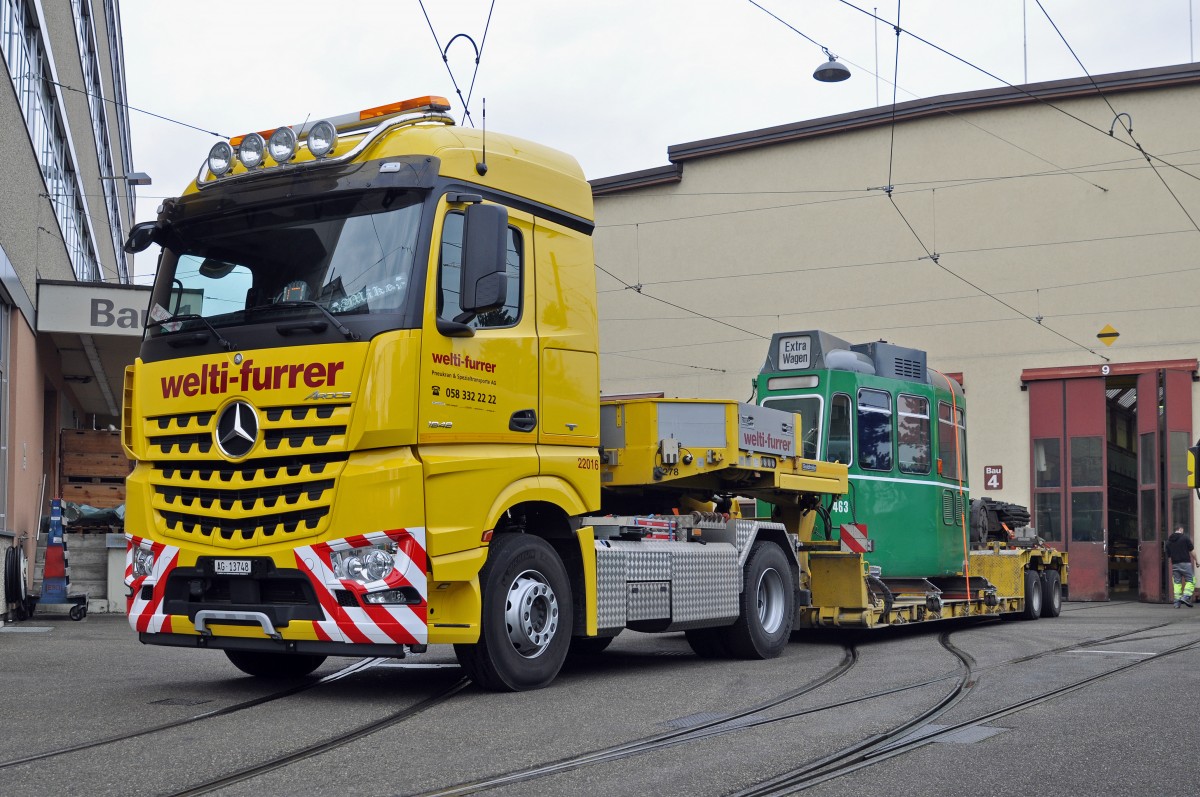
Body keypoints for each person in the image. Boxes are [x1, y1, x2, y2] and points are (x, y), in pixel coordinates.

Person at [1165, 525, 1198, 607]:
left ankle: (1177, 603)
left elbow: (1169, 555)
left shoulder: (1168, 541)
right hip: (1185, 563)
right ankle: (1185, 597)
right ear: (1180, 529)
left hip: (1175, 564)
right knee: (1191, 580)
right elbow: (1192, 551)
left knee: (1177, 583)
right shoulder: (1185, 538)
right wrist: (1197, 560)